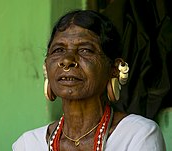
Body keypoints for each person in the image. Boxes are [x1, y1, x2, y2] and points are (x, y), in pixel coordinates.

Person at [12, 9, 166, 151]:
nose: (67, 60)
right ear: (46, 67)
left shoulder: (138, 135)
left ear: (114, 68)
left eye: (85, 50)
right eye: (58, 50)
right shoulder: (27, 144)